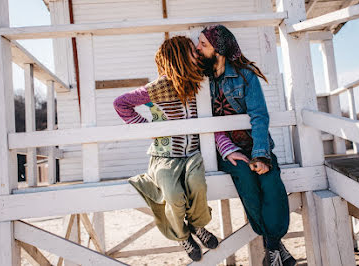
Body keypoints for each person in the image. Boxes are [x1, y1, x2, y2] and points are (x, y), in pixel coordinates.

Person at [196, 25, 296, 266]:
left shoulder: (245, 76)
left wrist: (261, 156)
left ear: (218, 50)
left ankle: (272, 246)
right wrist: (229, 150)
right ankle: (276, 247)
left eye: (203, 44)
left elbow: (259, 116)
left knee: (271, 183)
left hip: (256, 146)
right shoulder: (201, 80)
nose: (197, 48)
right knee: (247, 182)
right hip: (226, 152)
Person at [113, 36, 218, 262]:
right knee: (173, 195)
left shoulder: (198, 82)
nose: (197, 54)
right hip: (165, 157)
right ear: (178, 57)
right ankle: (182, 235)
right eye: (192, 51)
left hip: (192, 155)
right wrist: (146, 129)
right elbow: (121, 103)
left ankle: (198, 226)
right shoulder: (161, 86)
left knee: (198, 185)